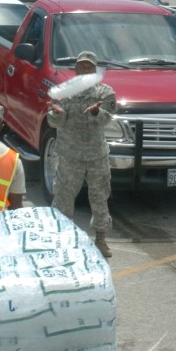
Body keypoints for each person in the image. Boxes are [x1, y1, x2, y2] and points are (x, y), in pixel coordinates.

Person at [47, 51, 116, 258]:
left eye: (89, 67)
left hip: (96, 156)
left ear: (94, 71)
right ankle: (62, 239)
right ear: (76, 69)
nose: (85, 70)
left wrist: (97, 112)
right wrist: (55, 115)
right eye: (81, 67)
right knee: (63, 198)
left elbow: (108, 119)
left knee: (99, 198)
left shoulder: (105, 92)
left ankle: (101, 240)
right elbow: (53, 121)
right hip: (69, 155)